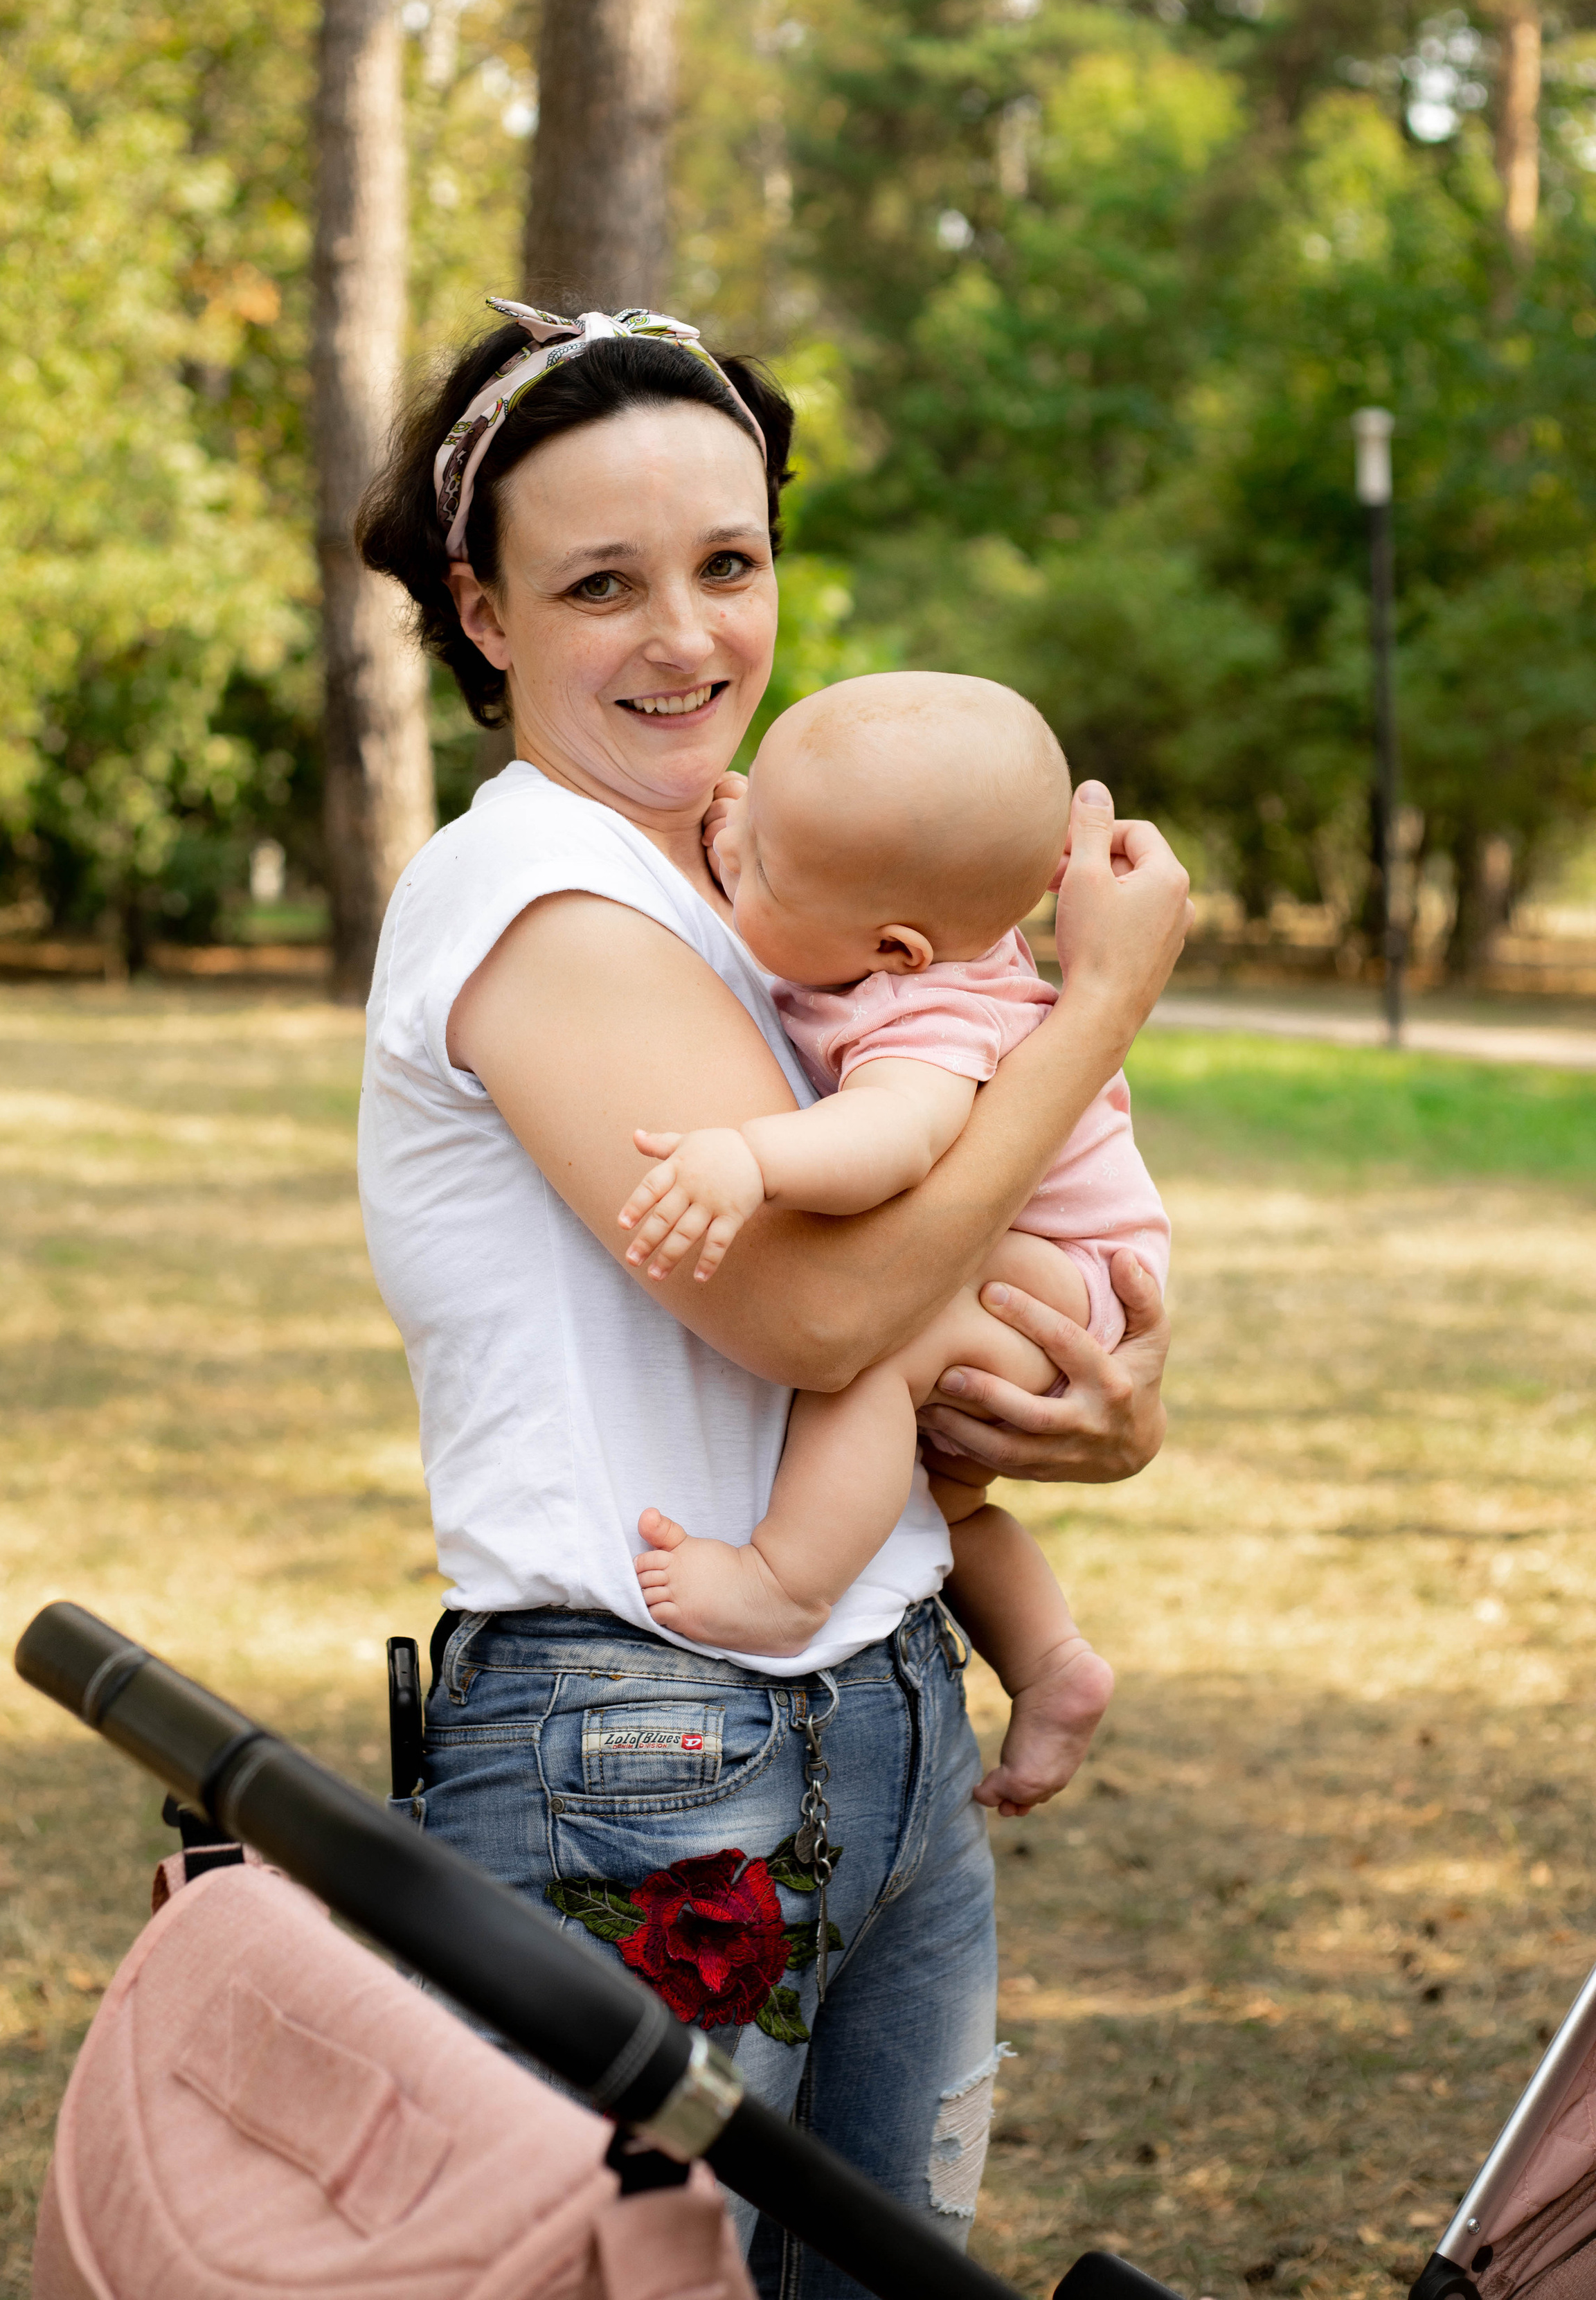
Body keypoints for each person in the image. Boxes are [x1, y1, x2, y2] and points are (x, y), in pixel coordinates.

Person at [353, 299, 1191, 2300]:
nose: (687, 637)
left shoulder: (766, 893)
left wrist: (1102, 1408)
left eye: (728, 563)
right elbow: (817, 1323)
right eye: (601, 584)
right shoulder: (538, 900)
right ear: (484, 614)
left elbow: (951, 1262)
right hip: (644, 1738)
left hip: (887, 1698)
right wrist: (1095, 1014)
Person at [617, 672, 1169, 1819]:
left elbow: (890, 1141)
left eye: (762, 868)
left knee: (878, 1352)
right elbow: (791, 867)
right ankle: (1053, 1662)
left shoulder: (926, 1019)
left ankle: (785, 1583)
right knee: (946, 1504)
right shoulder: (890, 940)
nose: (732, 852)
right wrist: (753, 834)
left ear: (896, 946)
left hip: (1063, 1275)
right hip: (1055, 1262)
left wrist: (752, 1158)